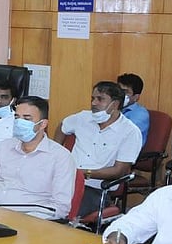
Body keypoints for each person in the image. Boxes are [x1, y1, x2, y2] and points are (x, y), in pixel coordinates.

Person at [0, 96, 76, 219]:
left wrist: (22, 222)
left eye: (27, 118)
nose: (19, 122)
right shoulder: (5, 146)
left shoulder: (60, 157)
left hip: (28, 225)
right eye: (17, 117)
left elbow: (59, 207)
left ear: (43, 124)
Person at [55, 81, 142, 219]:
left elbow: (119, 171)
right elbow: (62, 126)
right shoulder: (83, 117)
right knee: (37, 203)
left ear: (115, 104)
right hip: (65, 181)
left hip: (95, 189)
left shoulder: (130, 132)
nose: (94, 103)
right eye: (92, 99)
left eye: (100, 99)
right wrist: (58, 152)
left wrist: (84, 174)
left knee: (62, 213)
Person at [117, 73, 150, 146]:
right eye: (118, 90)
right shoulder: (111, 108)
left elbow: (124, 137)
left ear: (136, 97)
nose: (120, 94)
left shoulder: (140, 114)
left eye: (125, 92)